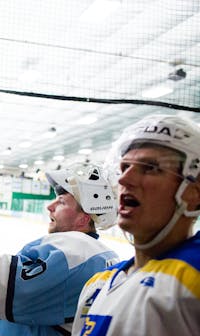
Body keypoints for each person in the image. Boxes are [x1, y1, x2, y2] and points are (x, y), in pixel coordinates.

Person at [0, 164, 119, 335]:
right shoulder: (101, 256)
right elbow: (54, 311)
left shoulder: (77, 253)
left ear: (84, 219)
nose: (50, 206)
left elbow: (6, 285)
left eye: (62, 202)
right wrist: (3, 322)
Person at [72, 115, 200, 335]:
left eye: (150, 167)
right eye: (124, 167)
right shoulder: (98, 284)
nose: (124, 179)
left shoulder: (191, 280)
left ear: (194, 193)